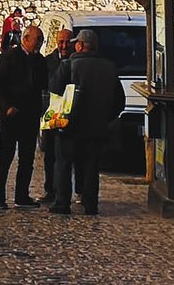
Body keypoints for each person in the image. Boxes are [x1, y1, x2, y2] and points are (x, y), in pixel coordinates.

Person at [47, 27, 125, 216]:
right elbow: (119, 101)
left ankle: (62, 203)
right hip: (96, 127)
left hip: (70, 127)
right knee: (91, 167)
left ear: (80, 45)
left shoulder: (69, 65)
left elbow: (54, 89)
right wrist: (105, 118)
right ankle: (91, 205)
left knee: (64, 164)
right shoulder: (109, 67)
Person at [0, 23, 46, 209]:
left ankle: (22, 196)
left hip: (30, 116)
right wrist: (6, 107)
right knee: (5, 155)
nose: (38, 44)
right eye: (36, 40)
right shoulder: (9, 58)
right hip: (10, 116)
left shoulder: (40, 61)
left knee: (27, 158)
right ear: (25, 39)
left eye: (41, 40)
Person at [40, 26, 76, 202]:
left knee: (71, 156)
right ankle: (51, 190)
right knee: (50, 156)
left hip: (71, 118)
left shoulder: (77, 63)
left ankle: (70, 192)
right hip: (51, 117)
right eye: (61, 42)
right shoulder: (47, 62)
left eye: (67, 42)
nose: (64, 46)